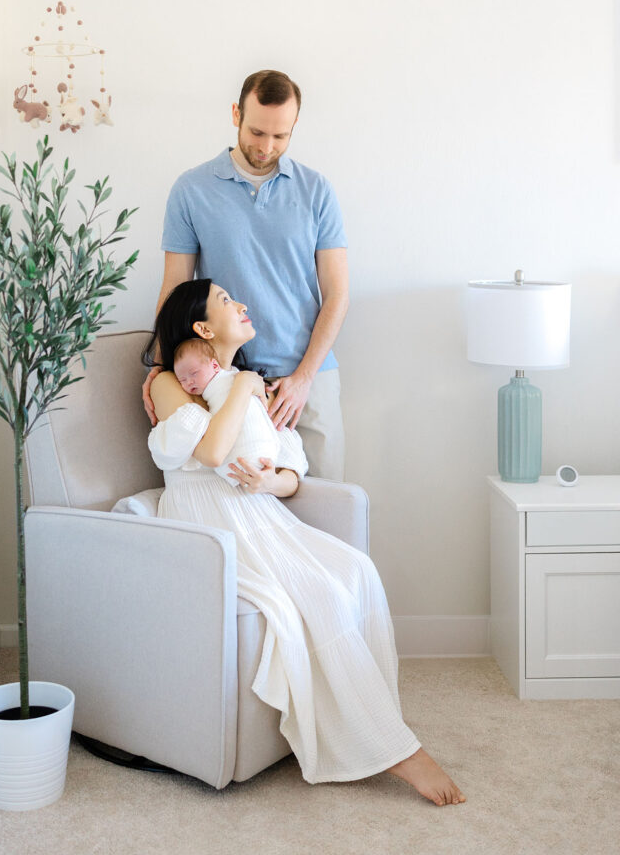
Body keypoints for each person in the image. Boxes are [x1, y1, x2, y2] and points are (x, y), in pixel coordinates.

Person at [143, 279, 466, 806]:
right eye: (227, 301)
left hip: (258, 510)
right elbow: (211, 451)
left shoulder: (255, 383)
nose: (243, 305)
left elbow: (290, 471)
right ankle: (400, 752)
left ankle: (372, 721)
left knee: (355, 570)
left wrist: (269, 481)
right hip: (209, 521)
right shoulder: (169, 382)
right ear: (202, 327)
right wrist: (244, 387)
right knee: (316, 597)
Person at [143, 69, 349, 481]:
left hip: (308, 382)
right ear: (236, 113)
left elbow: (337, 293)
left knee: (329, 508)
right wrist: (161, 364)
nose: (266, 146)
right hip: (224, 380)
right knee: (240, 509)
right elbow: (176, 288)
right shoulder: (191, 190)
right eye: (257, 132)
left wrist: (303, 378)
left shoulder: (317, 191)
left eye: (280, 136)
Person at [172, 336, 307, 487]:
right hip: (235, 469)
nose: (189, 382)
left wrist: (274, 482)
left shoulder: (247, 381)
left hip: (264, 459)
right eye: (182, 380)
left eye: (194, 373)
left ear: (215, 366)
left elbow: (290, 469)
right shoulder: (244, 382)